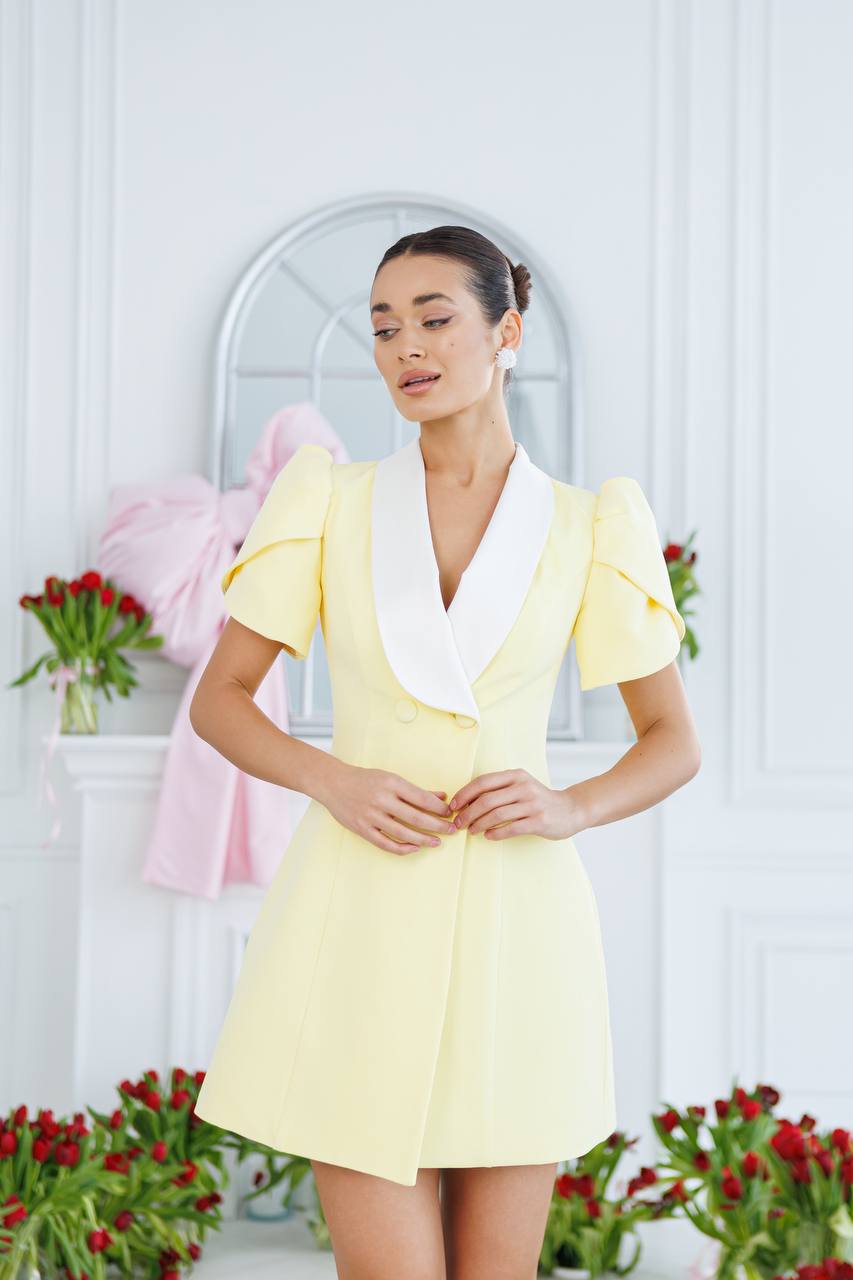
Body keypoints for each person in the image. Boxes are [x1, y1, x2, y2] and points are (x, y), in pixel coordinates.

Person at [189, 225, 701, 1280]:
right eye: (383, 327)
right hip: (358, 912)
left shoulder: (588, 524)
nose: (404, 348)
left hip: (519, 923)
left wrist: (571, 805)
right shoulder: (329, 500)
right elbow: (222, 701)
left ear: (504, 331)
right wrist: (333, 778)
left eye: (434, 319)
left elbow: (672, 742)